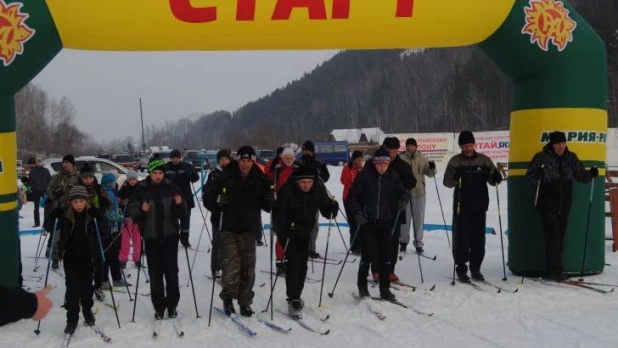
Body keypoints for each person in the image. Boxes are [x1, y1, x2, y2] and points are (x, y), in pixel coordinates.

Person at [204, 146, 274, 317]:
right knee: (230, 266)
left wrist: (271, 199)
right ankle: (228, 299)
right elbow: (208, 198)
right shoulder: (225, 175)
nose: (245, 164)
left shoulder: (260, 177)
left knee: (248, 268)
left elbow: (267, 205)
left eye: (248, 161)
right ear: (238, 160)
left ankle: (245, 302)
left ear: (253, 161)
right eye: (242, 160)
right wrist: (218, 200)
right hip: (227, 227)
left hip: (249, 228)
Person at [525, 131, 596, 281]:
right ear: (552, 144)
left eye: (563, 144)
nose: (561, 147)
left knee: (559, 236)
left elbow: (581, 175)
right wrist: (540, 179)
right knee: (554, 236)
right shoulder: (541, 158)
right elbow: (530, 176)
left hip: (564, 203)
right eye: (558, 144)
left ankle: (553, 268)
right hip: (547, 203)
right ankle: (555, 271)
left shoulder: (571, 158)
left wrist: (591, 174)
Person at [274, 164, 338, 318]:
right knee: (294, 264)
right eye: (303, 182)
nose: (306, 185)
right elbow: (277, 216)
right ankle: (293, 298)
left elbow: (326, 210)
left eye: (309, 182)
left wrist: (332, 208)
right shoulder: (287, 190)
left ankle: (297, 294)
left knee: (302, 265)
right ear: (297, 181)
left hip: (305, 232)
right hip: (288, 233)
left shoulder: (317, 189)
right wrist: (286, 229)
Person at [129, 155, 188, 319]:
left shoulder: (172, 187)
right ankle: (159, 306)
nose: (158, 176)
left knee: (171, 272)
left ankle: (172, 305)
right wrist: (142, 210)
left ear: (163, 173)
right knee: (155, 273)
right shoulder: (141, 189)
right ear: (149, 172)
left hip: (170, 236)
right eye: (155, 173)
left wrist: (179, 203)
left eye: (160, 173)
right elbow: (132, 213)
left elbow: (183, 212)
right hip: (151, 237)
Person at [349, 147, 408, 300]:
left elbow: (403, 191)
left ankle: (385, 289)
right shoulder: (364, 176)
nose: (383, 167)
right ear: (374, 163)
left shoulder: (392, 176)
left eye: (385, 164)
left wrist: (403, 199)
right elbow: (353, 196)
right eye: (380, 164)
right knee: (368, 255)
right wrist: (357, 213)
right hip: (367, 222)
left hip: (386, 221)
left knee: (385, 256)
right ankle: (362, 286)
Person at [48, 185, 108, 334]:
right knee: (72, 289)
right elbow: (48, 227)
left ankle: (87, 310)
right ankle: (72, 319)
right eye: (75, 202)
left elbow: (106, 233)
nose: (78, 205)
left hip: (88, 257)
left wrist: (100, 217)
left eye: (81, 201)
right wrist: (52, 216)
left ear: (86, 201)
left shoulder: (91, 214)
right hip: (70, 257)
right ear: (70, 202)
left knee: (87, 287)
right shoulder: (65, 215)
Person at [444, 130, 502, 282]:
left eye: (470, 145)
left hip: (480, 205)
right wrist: (455, 178)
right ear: (461, 146)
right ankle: (461, 269)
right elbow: (447, 182)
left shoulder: (484, 160)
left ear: (474, 144)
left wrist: (497, 177)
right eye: (465, 146)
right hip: (461, 207)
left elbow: (493, 179)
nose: (468, 148)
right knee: (461, 238)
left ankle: (476, 269)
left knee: (478, 239)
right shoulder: (455, 162)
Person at [381, 137, 416, 281]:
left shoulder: (402, 165)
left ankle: (390, 270)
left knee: (394, 240)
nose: (392, 155)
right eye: (389, 151)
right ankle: (377, 269)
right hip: (378, 207)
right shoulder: (375, 162)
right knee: (379, 239)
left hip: (396, 207)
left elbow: (411, 183)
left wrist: (407, 181)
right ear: (384, 148)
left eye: (395, 152)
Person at [399, 138, 436, 254]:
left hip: (419, 193)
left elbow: (430, 174)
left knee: (419, 220)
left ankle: (419, 243)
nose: (410, 148)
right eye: (408, 145)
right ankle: (403, 243)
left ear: (416, 146)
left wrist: (432, 168)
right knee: (404, 221)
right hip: (405, 194)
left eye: (412, 145)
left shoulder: (422, 158)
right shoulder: (401, 158)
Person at [202, 149, 233, 279]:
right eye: (221, 159)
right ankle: (216, 269)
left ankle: (229, 267)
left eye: (226, 159)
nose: (224, 161)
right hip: (218, 213)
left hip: (231, 214)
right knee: (218, 242)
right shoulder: (214, 174)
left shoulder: (234, 173)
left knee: (230, 243)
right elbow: (207, 193)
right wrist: (216, 201)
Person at [269, 148, 300, 274]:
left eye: (290, 158)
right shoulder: (277, 169)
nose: (288, 160)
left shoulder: (297, 169)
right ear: (282, 158)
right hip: (280, 205)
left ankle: (289, 260)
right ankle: (279, 261)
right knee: (281, 235)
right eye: (286, 158)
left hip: (294, 205)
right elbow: (268, 176)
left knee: (293, 234)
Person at [46, 154, 80, 270]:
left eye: (67, 162)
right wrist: (55, 194)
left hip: (75, 209)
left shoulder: (78, 176)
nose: (65, 164)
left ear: (72, 163)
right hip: (60, 209)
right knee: (58, 234)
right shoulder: (58, 176)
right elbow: (49, 190)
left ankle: (74, 256)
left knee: (75, 234)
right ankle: (56, 257)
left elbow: (84, 191)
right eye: (63, 162)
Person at [298, 140, 330, 258]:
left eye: (308, 150)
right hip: (301, 196)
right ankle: (301, 247)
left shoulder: (319, 162)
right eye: (304, 150)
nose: (306, 152)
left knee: (314, 224)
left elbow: (326, 176)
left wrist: (319, 176)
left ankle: (311, 248)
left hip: (315, 195)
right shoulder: (299, 161)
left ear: (312, 151)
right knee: (301, 223)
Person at [165, 149, 200, 248]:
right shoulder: (166, 167)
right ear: (170, 158)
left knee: (185, 221)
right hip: (171, 197)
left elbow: (195, 178)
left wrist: (191, 173)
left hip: (186, 197)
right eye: (173, 158)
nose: (175, 160)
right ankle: (173, 239)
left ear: (180, 158)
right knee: (172, 220)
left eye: (177, 158)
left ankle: (185, 240)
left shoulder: (186, 166)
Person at [340, 150, 364, 253]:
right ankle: (355, 246)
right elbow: (343, 181)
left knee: (361, 222)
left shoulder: (363, 170)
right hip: (348, 198)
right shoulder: (347, 168)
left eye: (361, 159)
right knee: (353, 223)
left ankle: (361, 244)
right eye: (358, 159)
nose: (360, 161)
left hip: (360, 199)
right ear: (353, 160)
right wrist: (349, 170)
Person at [118, 170, 141, 268]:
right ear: (127, 179)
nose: (132, 181)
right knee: (125, 241)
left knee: (137, 240)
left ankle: (137, 259)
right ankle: (123, 259)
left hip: (137, 218)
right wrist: (122, 203)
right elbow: (119, 203)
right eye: (130, 179)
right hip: (127, 218)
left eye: (134, 179)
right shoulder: (124, 188)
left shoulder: (140, 188)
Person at [28, 157, 52, 228]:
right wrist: (33, 187)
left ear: (42, 162)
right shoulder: (33, 171)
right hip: (36, 192)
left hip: (45, 191)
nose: (39, 163)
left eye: (40, 161)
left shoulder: (46, 170)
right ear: (36, 162)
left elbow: (50, 180)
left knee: (47, 207)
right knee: (36, 207)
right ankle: (37, 222)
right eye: (38, 161)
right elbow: (29, 181)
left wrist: (48, 188)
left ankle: (46, 223)